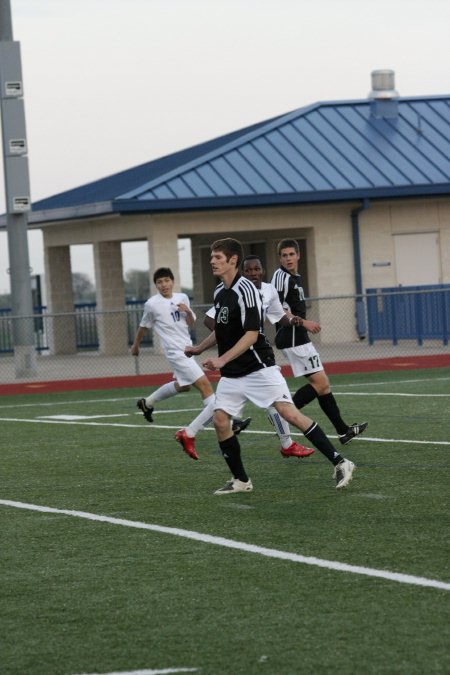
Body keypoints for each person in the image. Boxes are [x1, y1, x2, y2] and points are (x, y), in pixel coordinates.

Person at [187, 237, 356, 494]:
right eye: (211, 257)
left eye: (217, 257)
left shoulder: (248, 292)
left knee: (290, 414)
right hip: (233, 373)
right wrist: (199, 348)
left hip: (259, 368)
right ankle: (241, 481)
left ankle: (341, 462)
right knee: (221, 422)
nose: (212, 261)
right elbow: (221, 330)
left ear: (233, 260)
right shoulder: (219, 292)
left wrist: (221, 359)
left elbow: (252, 335)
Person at [271, 239, 368, 445]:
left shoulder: (294, 277)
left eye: (291, 254)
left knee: (323, 386)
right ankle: (283, 412)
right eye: (284, 255)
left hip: (299, 337)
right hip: (293, 338)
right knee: (321, 383)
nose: (288, 258)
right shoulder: (281, 277)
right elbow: (276, 308)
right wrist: (304, 322)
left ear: (298, 255)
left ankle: (343, 431)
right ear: (280, 258)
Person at [131, 267, 216, 461]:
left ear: (172, 281)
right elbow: (143, 326)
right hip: (175, 352)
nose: (164, 285)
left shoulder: (182, 297)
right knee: (205, 386)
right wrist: (135, 346)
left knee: (184, 386)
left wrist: (188, 312)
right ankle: (230, 422)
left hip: (187, 349)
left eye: (166, 281)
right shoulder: (152, 304)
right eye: (159, 282)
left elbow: (192, 322)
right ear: (156, 285)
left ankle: (147, 402)